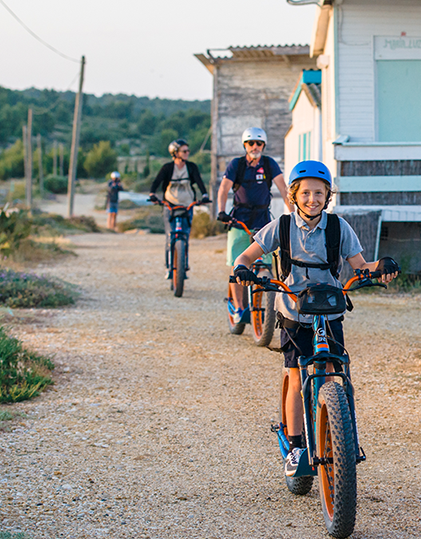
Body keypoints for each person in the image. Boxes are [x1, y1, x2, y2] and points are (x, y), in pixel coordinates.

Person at [232, 160, 399, 476]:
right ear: (294, 195)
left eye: (319, 193)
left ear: (328, 195)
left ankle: (344, 435)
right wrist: (242, 268)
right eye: (306, 193)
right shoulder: (282, 226)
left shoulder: (338, 227)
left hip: (330, 308)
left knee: (337, 371)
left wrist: (382, 267)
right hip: (294, 311)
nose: (313, 199)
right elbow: (247, 255)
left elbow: (361, 264)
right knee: (296, 374)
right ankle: (296, 447)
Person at [218, 127, 288, 321]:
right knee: (237, 264)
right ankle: (240, 308)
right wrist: (221, 211)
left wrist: (295, 214)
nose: (255, 146)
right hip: (239, 220)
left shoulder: (269, 164)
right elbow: (224, 189)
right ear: (245, 145)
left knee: (265, 264)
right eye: (251, 143)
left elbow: (283, 188)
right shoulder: (237, 165)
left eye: (258, 143)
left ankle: (265, 309)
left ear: (263, 145)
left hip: (263, 221)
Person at [149, 139, 210, 279]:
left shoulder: (191, 167)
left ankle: (183, 265)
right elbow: (157, 182)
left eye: (188, 151)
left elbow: (199, 181)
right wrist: (152, 194)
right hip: (170, 204)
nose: (187, 153)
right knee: (170, 236)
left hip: (187, 204)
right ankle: (169, 267)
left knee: (185, 236)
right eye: (184, 151)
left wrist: (205, 195)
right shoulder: (167, 168)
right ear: (175, 153)